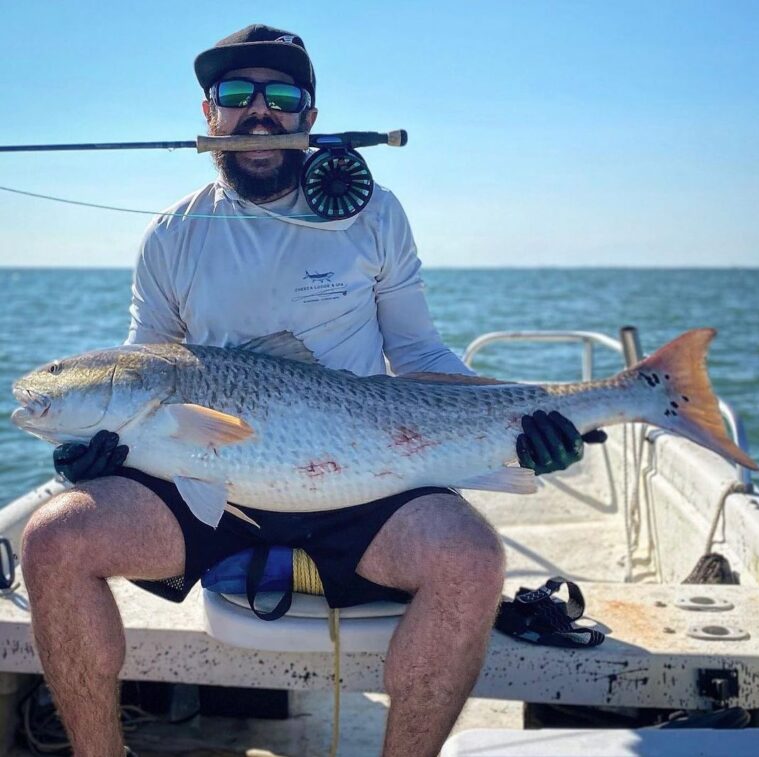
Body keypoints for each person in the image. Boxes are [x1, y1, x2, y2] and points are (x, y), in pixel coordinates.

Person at [21, 24, 602, 757]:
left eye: (281, 95)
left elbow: (419, 353)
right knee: (52, 538)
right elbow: (148, 368)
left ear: (310, 115)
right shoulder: (169, 237)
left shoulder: (373, 215)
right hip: (207, 482)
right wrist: (95, 447)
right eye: (235, 94)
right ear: (208, 116)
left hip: (354, 474)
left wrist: (525, 422)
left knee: (472, 556)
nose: (257, 112)